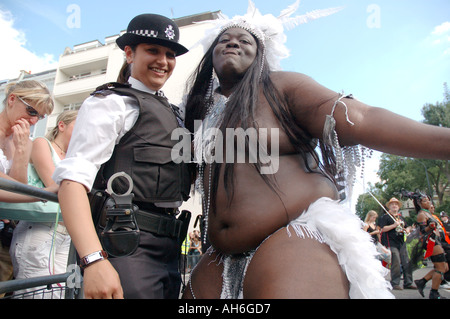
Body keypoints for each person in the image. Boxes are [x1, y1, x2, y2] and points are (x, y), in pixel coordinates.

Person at [181, 2, 450, 299]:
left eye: (245, 40)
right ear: (211, 54)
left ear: (260, 55)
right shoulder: (200, 114)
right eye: (224, 39)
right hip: (218, 259)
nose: (233, 42)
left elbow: (360, 117)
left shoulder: (280, 87)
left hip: (292, 239)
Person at [53, 13, 191, 299]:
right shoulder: (112, 103)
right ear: (129, 53)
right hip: (126, 246)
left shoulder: (175, 115)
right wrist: (94, 260)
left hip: (169, 250)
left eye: (170, 54)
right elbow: (71, 184)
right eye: (152, 50)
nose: (163, 61)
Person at [8, 110, 77, 298]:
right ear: (61, 125)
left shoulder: (74, 157)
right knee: (35, 292)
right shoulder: (42, 144)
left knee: (63, 292)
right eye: (76, 126)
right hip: (40, 230)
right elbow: (54, 185)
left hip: (66, 234)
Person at [0, 80, 54, 296]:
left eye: (39, 117)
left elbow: (18, 189)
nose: (33, 121)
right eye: (31, 111)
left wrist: (22, 150)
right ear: (12, 99)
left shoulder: (19, 140)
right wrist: (45, 195)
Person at [407, 193, 449, 299]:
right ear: (420, 203)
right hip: (430, 242)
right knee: (441, 268)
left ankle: (422, 281)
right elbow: (422, 231)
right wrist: (429, 227)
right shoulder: (422, 214)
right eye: (425, 201)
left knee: (445, 267)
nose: (428, 202)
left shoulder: (428, 213)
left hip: (436, 241)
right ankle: (434, 293)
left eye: (428, 200)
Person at [379, 198, 415, 290]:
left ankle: (408, 282)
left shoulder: (401, 217)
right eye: (392, 204)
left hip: (401, 242)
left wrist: (407, 229)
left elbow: (407, 227)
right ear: (389, 207)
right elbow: (382, 229)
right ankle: (395, 283)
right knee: (396, 262)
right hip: (391, 242)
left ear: (398, 207)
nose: (394, 206)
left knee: (407, 262)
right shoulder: (386, 217)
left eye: (396, 204)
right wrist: (394, 225)